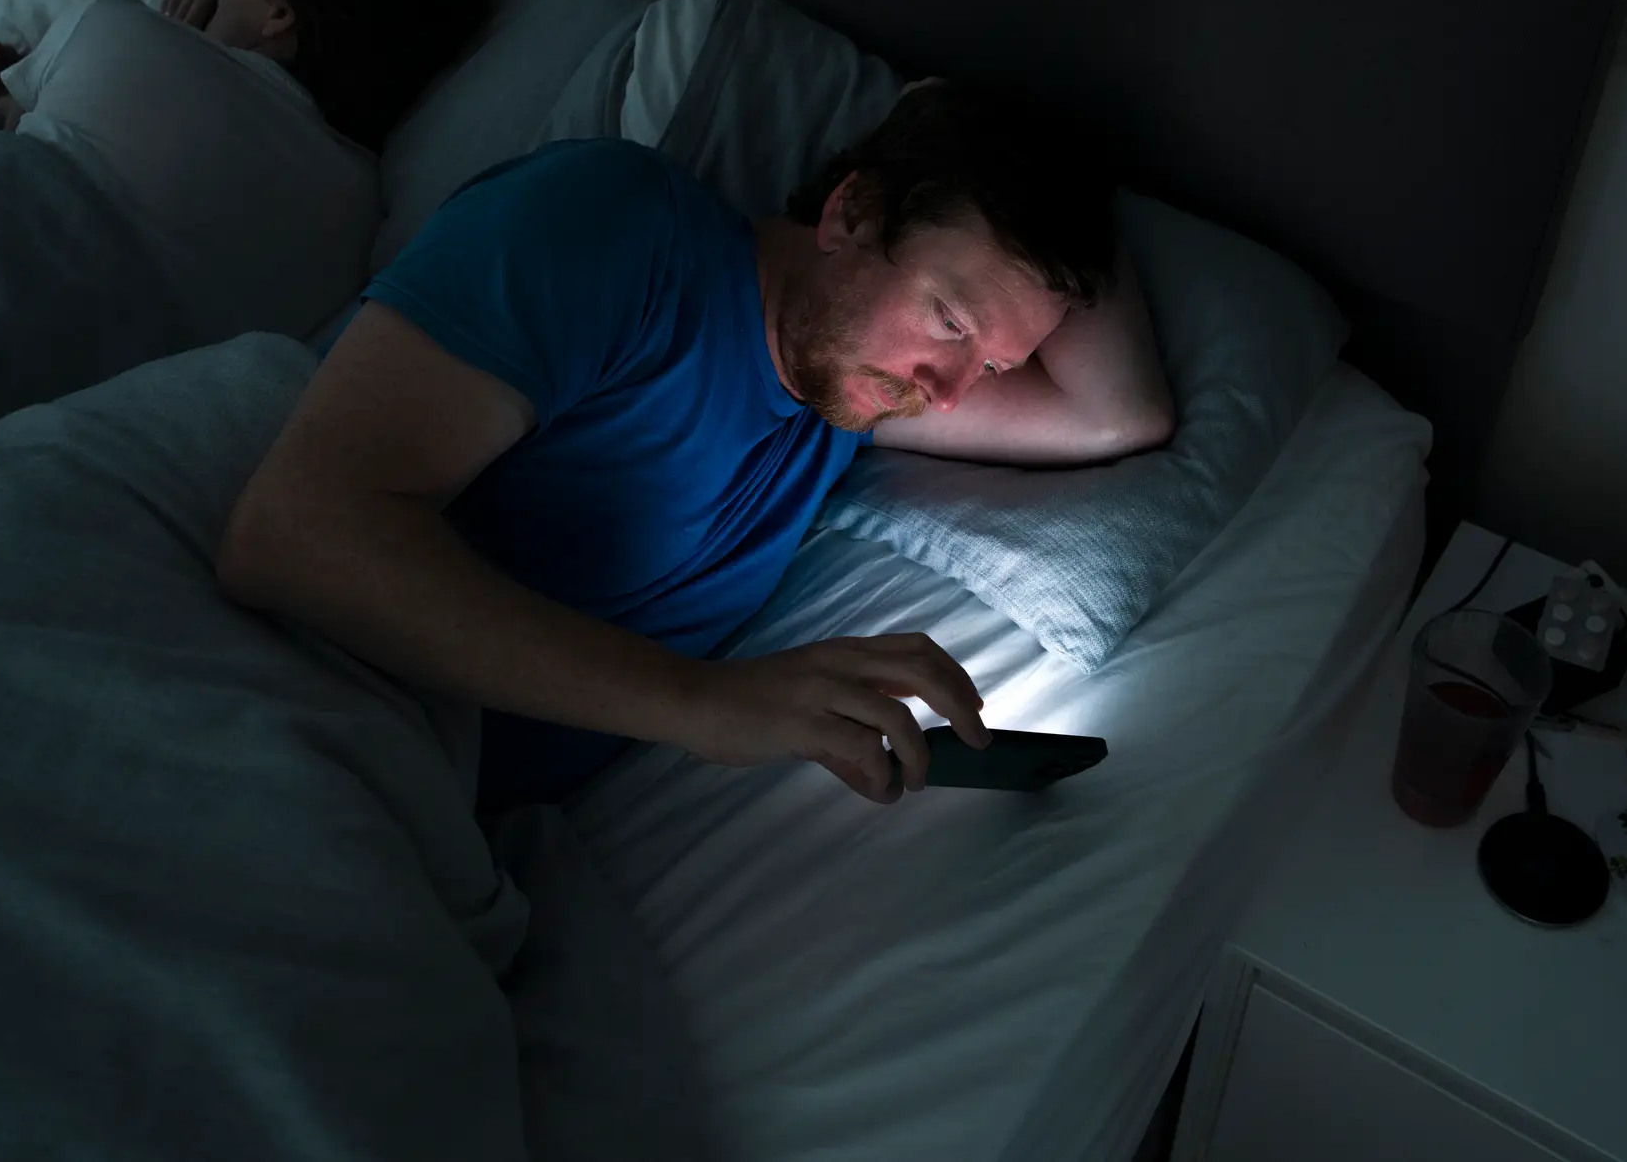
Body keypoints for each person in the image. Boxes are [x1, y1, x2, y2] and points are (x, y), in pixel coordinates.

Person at [216, 82, 1176, 805]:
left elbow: (1117, 415)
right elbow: (296, 531)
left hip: (427, 804)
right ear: (852, 214)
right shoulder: (614, 228)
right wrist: (702, 703)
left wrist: (1067, 194)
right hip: (272, 717)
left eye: (995, 367)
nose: (950, 390)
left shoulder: (848, 399)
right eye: (951, 322)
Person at [0, 0, 492, 337]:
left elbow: (7, 131)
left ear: (279, 13)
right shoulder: (359, 224)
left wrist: (170, 39)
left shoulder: (113, 27)